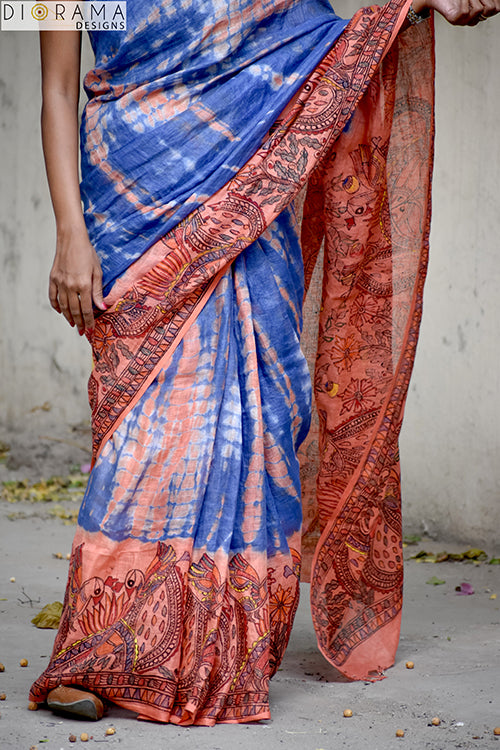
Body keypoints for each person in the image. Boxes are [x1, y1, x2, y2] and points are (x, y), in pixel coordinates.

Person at [29, 0, 498, 726]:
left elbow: (315, 48)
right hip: (133, 195)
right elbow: (54, 88)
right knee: (141, 436)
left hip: (252, 186)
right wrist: (67, 232)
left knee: (251, 418)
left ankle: (224, 647)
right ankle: (100, 648)